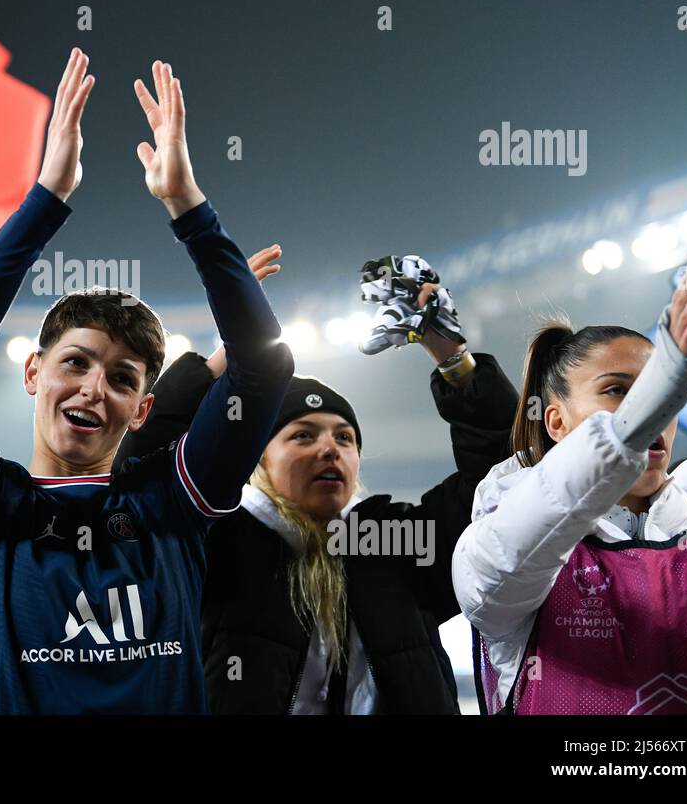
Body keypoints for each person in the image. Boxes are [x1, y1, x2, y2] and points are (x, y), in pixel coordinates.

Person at [0, 49, 294, 713]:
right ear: (33, 372)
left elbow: (263, 368)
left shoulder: (170, 502)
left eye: (121, 378)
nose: (95, 389)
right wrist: (46, 199)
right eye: (75, 362)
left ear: (143, 408)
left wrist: (188, 207)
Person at [116, 252, 519, 713]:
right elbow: (138, 480)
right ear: (259, 457)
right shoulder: (219, 540)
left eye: (344, 438)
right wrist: (222, 362)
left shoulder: (397, 543)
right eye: (303, 436)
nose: (330, 449)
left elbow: (501, 482)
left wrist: (454, 358)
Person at [454, 265, 687, 714]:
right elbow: (538, 525)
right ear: (556, 423)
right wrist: (633, 427)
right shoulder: (498, 539)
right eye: (617, 390)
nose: (653, 408)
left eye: (662, 394)